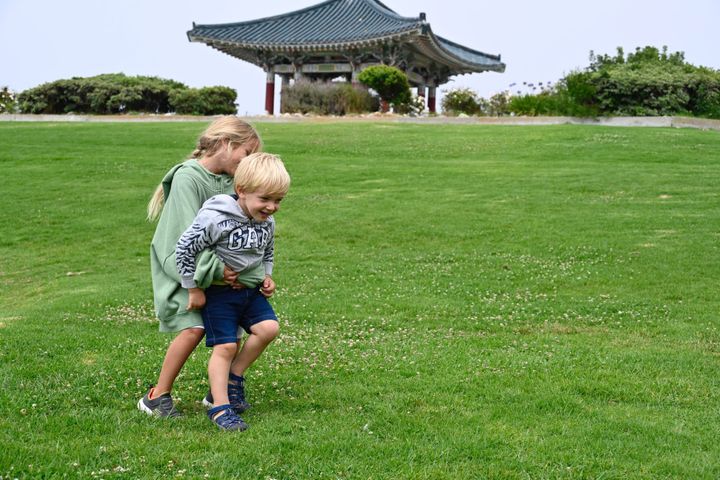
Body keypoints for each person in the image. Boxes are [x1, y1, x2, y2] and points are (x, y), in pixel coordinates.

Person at [138, 116, 266, 418]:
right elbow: (183, 238)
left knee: (233, 331)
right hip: (182, 270)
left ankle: (220, 392)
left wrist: (246, 272)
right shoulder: (188, 178)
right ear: (225, 143)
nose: (248, 163)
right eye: (246, 154)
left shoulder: (229, 181)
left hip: (219, 276)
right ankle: (156, 397)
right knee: (193, 328)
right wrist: (217, 271)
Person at [175, 153, 290, 431]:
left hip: (249, 291)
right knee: (225, 346)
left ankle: (233, 377)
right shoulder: (215, 218)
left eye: (278, 200)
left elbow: (267, 249)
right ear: (241, 191)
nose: (272, 207)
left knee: (268, 328)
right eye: (265, 199)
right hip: (219, 295)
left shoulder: (266, 221)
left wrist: (267, 275)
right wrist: (193, 289)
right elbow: (183, 250)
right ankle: (220, 407)